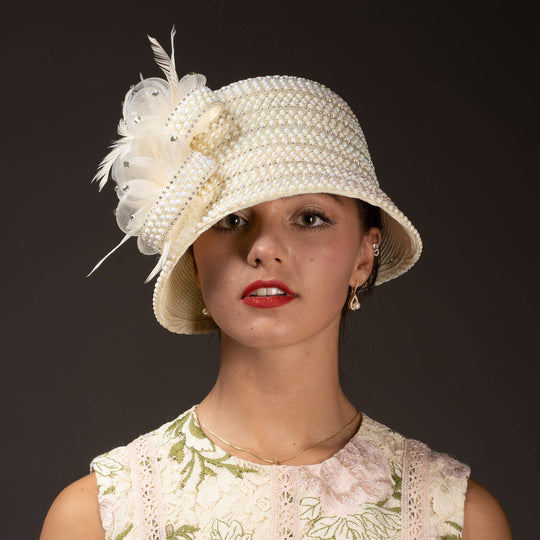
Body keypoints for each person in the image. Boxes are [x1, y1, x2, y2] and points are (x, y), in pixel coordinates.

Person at [41, 30, 512, 540]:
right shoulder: (98, 517)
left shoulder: (456, 518)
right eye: (232, 220)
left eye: (310, 218)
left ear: (363, 256)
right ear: (194, 259)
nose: (264, 248)